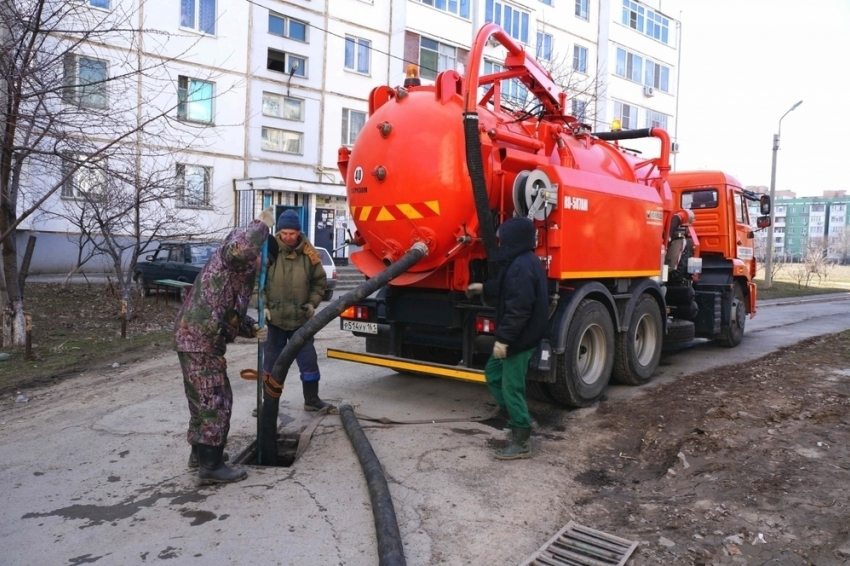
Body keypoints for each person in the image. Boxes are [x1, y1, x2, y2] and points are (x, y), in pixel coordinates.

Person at [174, 207, 274, 483]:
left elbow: (227, 312)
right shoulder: (233, 257)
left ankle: (201, 454)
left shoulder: (235, 274)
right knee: (216, 401)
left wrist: (251, 327)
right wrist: (261, 225)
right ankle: (211, 468)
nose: (263, 267)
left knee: (201, 399)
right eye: (264, 261)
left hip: (196, 336)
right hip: (200, 338)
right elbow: (240, 248)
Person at [466, 216, 548, 460]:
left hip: (518, 340)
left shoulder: (522, 266)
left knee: (511, 386)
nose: (500, 244)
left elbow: (518, 309)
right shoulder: (520, 262)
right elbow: (505, 286)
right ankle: (517, 416)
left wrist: (503, 340)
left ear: (515, 240)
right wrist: (483, 288)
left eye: (504, 239)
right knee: (493, 373)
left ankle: (522, 440)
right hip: (517, 337)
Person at [261, 209, 329, 411]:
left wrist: (312, 303)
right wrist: (262, 306)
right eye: (284, 233)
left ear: (298, 232)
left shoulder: (310, 254)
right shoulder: (269, 250)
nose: (288, 237)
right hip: (275, 320)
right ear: (279, 232)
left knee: (309, 362)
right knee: (271, 365)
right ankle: (268, 404)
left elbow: (319, 283)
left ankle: (312, 400)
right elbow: (258, 283)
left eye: (292, 233)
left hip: (301, 321)